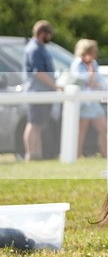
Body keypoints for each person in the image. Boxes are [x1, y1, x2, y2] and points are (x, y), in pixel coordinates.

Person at [23, 20, 63, 161]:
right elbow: (39, 72)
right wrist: (55, 86)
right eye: (49, 34)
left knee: (37, 125)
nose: (50, 38)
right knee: (34, 124)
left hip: (41, 92)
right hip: (37, 93)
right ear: (42, 34)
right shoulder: (35, 49)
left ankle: (36, 154)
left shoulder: (39, 48)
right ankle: (31, 154)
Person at [69, 39, 107, 157]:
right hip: (83, 103)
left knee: (104, 128)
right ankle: (76, 155)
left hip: (93, 102)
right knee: (82, 130)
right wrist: (91, 76)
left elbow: (98, 81)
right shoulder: (77, 64)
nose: (96, 54)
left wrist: (93, 79)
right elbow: (83, 79)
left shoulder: (93, 63)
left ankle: (106, 155)